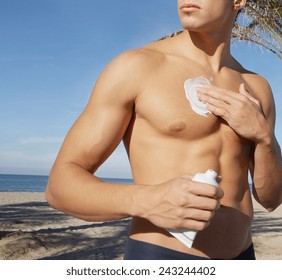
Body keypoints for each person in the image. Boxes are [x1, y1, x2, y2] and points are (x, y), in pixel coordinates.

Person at [45, 0, 282, 260]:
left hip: (242, 256)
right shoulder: (137, 67)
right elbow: (59, 186)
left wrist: (264, 139)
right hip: (161, 256)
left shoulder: (256, 88)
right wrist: (147, 199)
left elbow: (271, 200)